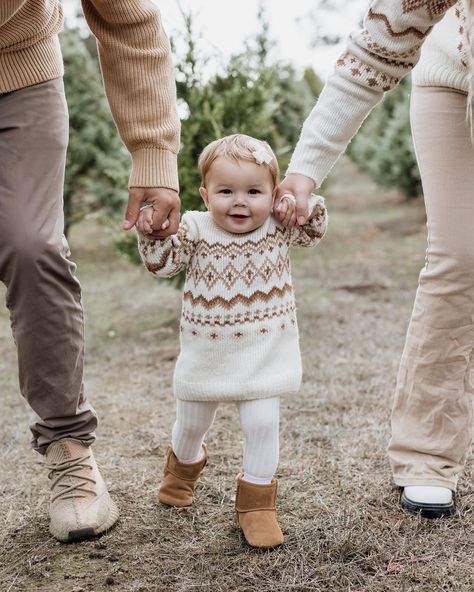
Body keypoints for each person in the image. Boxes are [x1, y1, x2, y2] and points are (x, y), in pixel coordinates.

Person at [276, 0, 474, 518]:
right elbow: (373, 49)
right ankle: (427, 456)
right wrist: (306, 168)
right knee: (460, 257)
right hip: (455, 76)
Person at [0, 1, 180, 542]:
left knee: (32, 246)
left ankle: (69, 451)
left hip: (18, 71)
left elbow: (129, 17)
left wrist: (153, 152)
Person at [137, 134, 328, 548]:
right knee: (192, 424)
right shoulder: (195, 227)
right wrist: (152, 232)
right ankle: (182, 468)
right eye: (226, 191)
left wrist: (306, 205)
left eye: (254, 191)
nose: (240, 201)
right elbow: (163, 265)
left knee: (262, 423)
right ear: (205, 195)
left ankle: (257, 504)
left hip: (264, 352)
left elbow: (313, 233)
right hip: (207, 354)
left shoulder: (279, 227)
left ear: (274, 194)